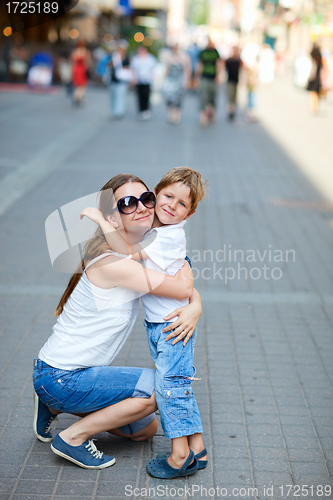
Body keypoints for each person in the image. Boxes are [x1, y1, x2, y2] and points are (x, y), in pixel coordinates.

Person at [33, 174, 202, 470]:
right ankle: (72, 437)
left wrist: (195, 307)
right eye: (127, 203)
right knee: (157, 390)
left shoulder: (139, 252)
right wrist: (194, 303)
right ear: (112, 218)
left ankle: (53, 406)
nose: (141, 207)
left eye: (146, 198)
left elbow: (179, 268)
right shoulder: (115, 263)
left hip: (74, 374)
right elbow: (181, 287)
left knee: (145, 431)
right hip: (61, 375)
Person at [81, 167, 208, 479]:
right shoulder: (160, 230)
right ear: (156, 193)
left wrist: (100, 220)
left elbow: (125, 251)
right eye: (167, 196)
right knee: (177, 384)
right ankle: (198, 448)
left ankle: (179, 455)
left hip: (170, 327)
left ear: (188, 214)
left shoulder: (165, 237)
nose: (171, 206)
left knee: (171, 389)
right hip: (165, 325)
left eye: (181, 204)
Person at [196, 38, 223, 127]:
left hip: (213, 78)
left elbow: (219, 63)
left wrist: (218, 76)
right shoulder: (203, 53)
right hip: (205, 77)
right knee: (203, 96)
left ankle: (211, 113)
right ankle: (203, 116)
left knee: (213, 96)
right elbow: (200, 64)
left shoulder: (215, 53)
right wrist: (197, 77)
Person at [162, 45, 191, 124]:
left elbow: (187, 70)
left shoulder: (184, 57)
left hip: (179, 80)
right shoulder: (169, 58)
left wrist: (186, 81)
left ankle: (177, 115)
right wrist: (163, 80)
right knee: (168, 97)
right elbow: (166, 70)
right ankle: (170, 113)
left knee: (178, 98)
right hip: (170, 80)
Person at [130, 45, 156, 120]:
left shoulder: (150, 58)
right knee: (139, 96)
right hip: (139, 80)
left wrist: (154, 80)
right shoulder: (136, 59)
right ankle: (141, 110)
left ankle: (146, 110)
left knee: (146, 95)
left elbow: (153, 69)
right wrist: (133, 78)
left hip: (147, 80)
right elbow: (133, 69)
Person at [109, 40, 132, 119]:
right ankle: (115, 110)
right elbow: (110, 65)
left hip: (122, 80)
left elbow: (130, 67)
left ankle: (119, 111)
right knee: (114, 96)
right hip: (114, 79)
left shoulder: (127, 57)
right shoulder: (115, 56)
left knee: (121, 96)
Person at [71, 40, 90, 106]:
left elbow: (73, 63)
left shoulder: (74, 52)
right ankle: (77, 96)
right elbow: (87, 62)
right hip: (82, 69)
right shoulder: (84, 51)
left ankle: (77, 97)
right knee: (83, 85)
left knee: (79, 84)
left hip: (76, 69)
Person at [225, 46, 242, 121]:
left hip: (236, 81)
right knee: (230, 97)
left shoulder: (239, 61)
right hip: (230, 81)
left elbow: (242, 70)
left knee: (235, 98)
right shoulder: (229, 61)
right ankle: (230, 111)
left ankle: (233, 111)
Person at [307, 45, 323, 115]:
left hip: (313, 79)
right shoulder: (320, 59)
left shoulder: (313, 59)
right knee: (316, 93)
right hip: (319, 79)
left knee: (312, 93)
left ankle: (313, 106)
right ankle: (315, 106)